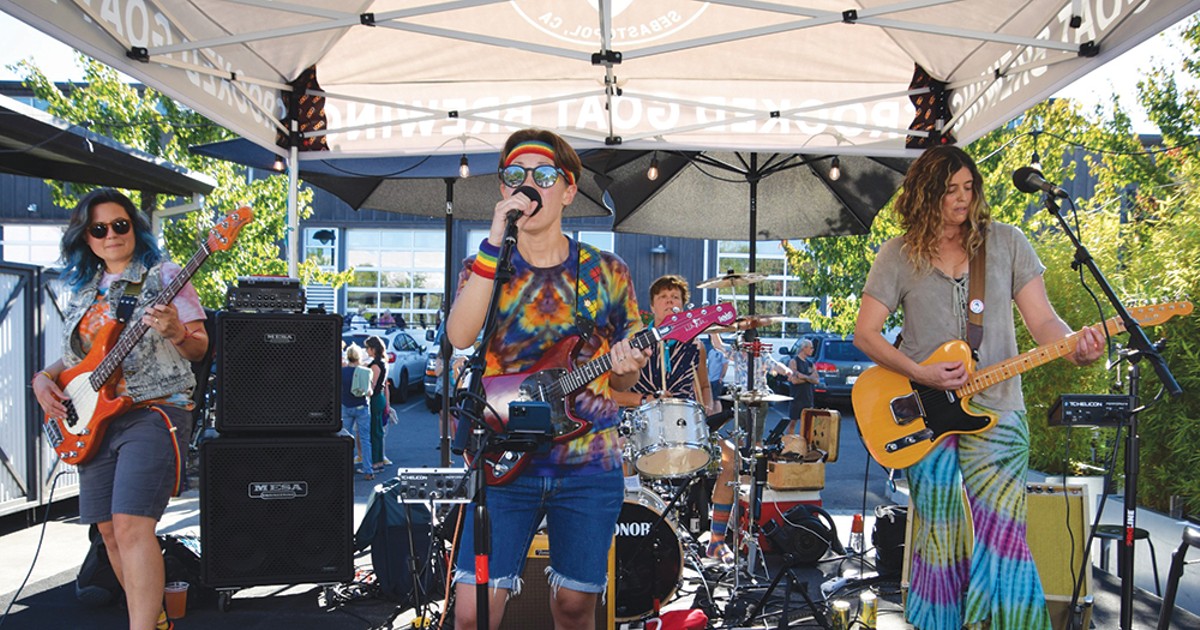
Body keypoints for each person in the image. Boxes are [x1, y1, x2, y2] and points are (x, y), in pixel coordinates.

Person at [852, 145, 1103, 630]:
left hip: (1001, 408)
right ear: (925, 195)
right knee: (939, 537)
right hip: (924, 413)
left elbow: (1044, 321)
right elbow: (865, 333)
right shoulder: (898, 253)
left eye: (969, 188)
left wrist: (1075, 346)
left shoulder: (1007, 242)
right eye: (950, 190)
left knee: (1006, 536)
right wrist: (921, 372)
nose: (962, 199)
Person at [446, 128, 649, 630]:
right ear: (503, 191)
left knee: (575, 607)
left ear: (568, 188)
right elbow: (460, 335)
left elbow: (632, 364)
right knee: (472, 613)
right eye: (515, 176)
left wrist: (629, 365)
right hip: (501, 458)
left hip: (586, 463)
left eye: (543, 175)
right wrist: (495, 241)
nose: (528, 185)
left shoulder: (605, 270)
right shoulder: (485, 265)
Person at [31, 189, 208, 630]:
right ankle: (156, 620)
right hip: (93, 420)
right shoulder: (83, 290)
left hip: (154, 410)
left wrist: (175, 332)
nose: (111, 234)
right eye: (99, 228)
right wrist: (43, 377)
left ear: (135, 228)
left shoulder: (165, 276)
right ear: (86, 239)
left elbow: (199, 349)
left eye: (120, 224)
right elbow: (80, 362)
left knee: (131, 525)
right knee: (108, 530)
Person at [612, 275, 726, 560]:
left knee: (732, 460)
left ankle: (717, 540)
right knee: (616, 456)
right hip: (639, 427)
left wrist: (709, 408)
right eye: (663, 297)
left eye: (675, 298)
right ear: (652, 306)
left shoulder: (696, 347)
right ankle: (624, 540)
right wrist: (645, 400)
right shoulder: (634, 344)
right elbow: (609, 394)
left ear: (684, 307)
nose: (670, 302)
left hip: (684, 427)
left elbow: (704, 386)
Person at [341, 344, 374, 480]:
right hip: (361, 406)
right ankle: (368, 470)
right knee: (365, 439)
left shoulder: (342, 371)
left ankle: (343, 469)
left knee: (344, 439)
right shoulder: (365, 371)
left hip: (346, 406)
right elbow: (369, 392)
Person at [364, 335, 391, 473]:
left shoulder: (375, 364)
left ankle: (375, 463)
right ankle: (379, 461)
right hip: (381, 397)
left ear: (373, 349)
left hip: (374, 399)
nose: (366, 350)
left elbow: (372, 385)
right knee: (379, 431)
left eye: (367, 347)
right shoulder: (384, 362)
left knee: (374, 432)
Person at [785, 338, 818, 423]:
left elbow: (817, 380)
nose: (812, 350)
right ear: (804, 348)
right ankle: (790, 436)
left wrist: (803, 376)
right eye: (811, 348)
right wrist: (809, 378)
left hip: (808, 398)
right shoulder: (794, 361)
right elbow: (794, 381)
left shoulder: (810, 363)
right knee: (792, 422)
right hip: (797, 398)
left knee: (808, 424)